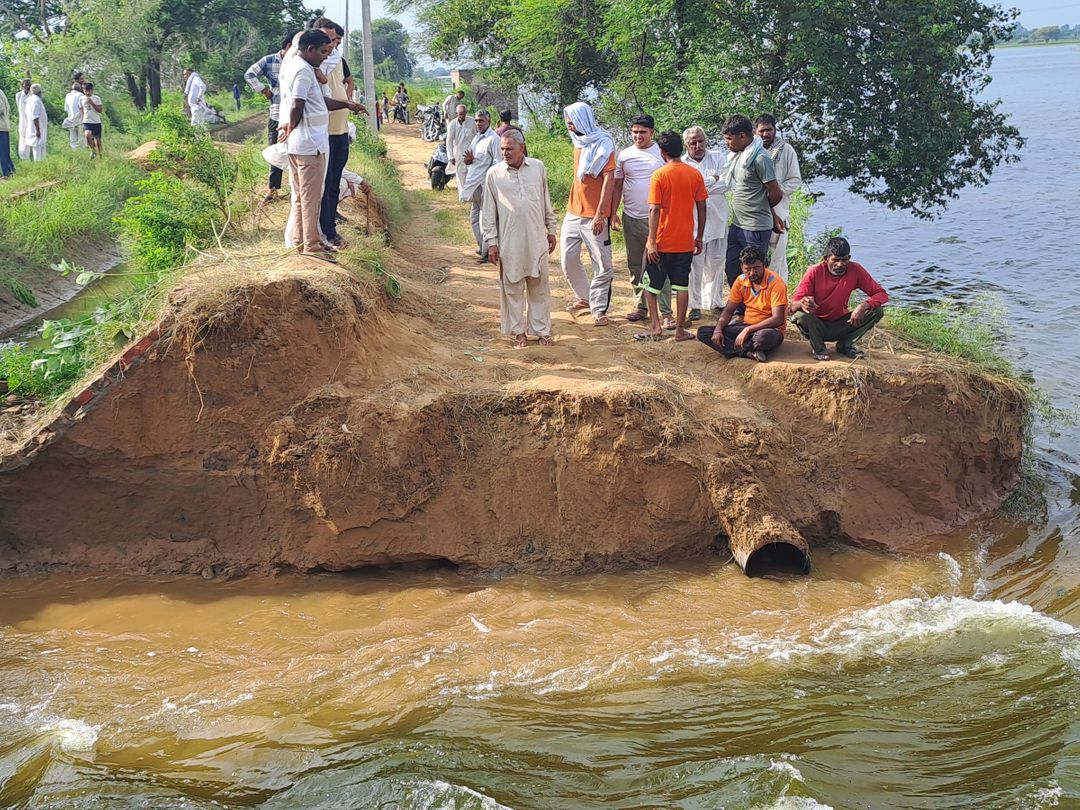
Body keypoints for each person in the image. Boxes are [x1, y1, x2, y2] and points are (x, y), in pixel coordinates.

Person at [280, 29, 363, 262]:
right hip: (309, 145)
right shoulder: (304, 72)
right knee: (311, 198)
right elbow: (297, 104)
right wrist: (292, 126)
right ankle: (312, 246)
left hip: (302, 144)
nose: (326, 56)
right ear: (310, 49)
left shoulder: (303, 68)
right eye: (323, 52)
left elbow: (320, 102)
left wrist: (348, 104)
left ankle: (299, 241)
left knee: (300, 196)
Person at [482, 130, 558, 349]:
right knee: (512, 287)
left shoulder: (537, 168)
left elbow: (545, 201)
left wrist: (551, 229)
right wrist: (492, 242)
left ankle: (542, 331)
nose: (505, 153)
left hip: (536, 238)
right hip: (509, 240)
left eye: (509, 149)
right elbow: (488, 212)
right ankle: (518, 333)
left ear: (521, 148)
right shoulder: (494, 174)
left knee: (539, 286)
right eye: (502, 149)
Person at [636, 130, 707, 343]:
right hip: (685, 242)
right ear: (682, 148)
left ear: (662, 151)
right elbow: (702, 206)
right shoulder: (694, 174)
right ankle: (679, 331)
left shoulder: (659, 175)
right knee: (682, 286)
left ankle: (656, 326)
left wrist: (651, 241)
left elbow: (654, 209)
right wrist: (699, 237)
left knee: (651, 285)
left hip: (661, 242)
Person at [560, 102, 616, 326]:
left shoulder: (604, 144)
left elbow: (609, 180)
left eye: (572, 122)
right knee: (568, 259)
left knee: (603, 264)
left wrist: (601, 214)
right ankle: (585, 297)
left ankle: (599, 309)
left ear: (583, 120)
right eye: (568, 122)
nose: (569, 126)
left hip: (595, 215)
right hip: (573, 212)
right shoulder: (578, 143)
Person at [789, 236, 889, 360]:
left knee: (877, 310)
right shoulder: (814, 271)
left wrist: (864, 306)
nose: (840, 264)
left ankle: (845, 345)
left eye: (844, 260)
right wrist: (802, 303)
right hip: (817, 325)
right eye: (835, 260)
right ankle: (819, 348)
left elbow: (881, 294)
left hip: (842, 323)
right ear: (826, 259)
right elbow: (792, 306)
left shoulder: (855, 269)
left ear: (849, 258)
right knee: (800, 316)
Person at [612, 115, 669, 326]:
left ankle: (665, 311)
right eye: (635, 132)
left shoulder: (661, 154)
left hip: (656, 218)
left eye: (643, 132)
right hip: (631, 217)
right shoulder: (625, 155)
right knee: (635, 264)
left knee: (659, 263)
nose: (638, 136)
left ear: (652, 133)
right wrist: (612, 211)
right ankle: (641, 305)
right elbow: (617, 185)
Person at [721, 114, 784, 289]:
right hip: (738, 224)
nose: (727, 143)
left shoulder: (760, 158)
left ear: (742, 136)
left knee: (754, 273)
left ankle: (756, 311)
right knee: (732, 268)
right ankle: (742, 309)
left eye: (729, 139)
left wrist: (766, 212)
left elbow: (776, 194)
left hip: (755, 228)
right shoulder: (741, 155)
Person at [312, 18, 356, 250]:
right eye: (328, 41)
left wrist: (348, 102)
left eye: (335, 41)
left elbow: (347, 82)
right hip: (323, 132)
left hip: (340, 130)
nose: (332, 46)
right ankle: (325, 232)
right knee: (325, 185)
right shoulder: (311, 66)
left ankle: (329, 230)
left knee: (333, 182)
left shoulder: (336, 59)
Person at [699, 245, 787, 361]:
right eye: (748, 269)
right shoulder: (741, 281)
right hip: (746, 325)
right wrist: (718, 329)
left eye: (756, 267)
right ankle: (748, 352)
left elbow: (778, 319)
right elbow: (729, 311)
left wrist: (748, 330)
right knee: (703, 332)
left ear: (764, 265)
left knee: (762, 339)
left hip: (769, 330)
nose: (752, 272)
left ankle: (736, 349)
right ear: (742, 267)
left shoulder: (776, 283)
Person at [683, 125, 729, 317]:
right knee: (695, 265)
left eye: (701, 141)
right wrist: (711, 180)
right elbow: (686, 190)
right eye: (693, 142)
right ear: (687, 144)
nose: (698, 145)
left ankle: (715, 302)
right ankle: (694, 305)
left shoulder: (718, 157)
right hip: (693, 222)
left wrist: (700, 186)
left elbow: (726, 183)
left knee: (717, 262)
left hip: (718, 219)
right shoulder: (683, 163)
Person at [245, 33, 292, 203]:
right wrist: (263, 89)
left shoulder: (299, 62)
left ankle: (297, 189)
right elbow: (249, 74)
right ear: (287, 46)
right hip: (277, 113)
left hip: (295, 115)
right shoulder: (269, 60)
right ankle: (273, 190)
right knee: (275, 150)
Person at [755, 114, 802, 281]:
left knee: (778, 258)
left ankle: (778, 297)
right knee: (755, 256)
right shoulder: (749, 151)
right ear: (755, 132)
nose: (765, 134)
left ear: (775, 130)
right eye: (762, 131)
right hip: (756, 211)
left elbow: (795, 180)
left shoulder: (786, 149)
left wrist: (774, 191)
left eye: (769, 130)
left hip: (779, 209)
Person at [459, 110, 500, 262]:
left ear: (488, 121)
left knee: (486, 219)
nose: (478, 123)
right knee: (474, 218)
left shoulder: (493, 139)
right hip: (473, 183)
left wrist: (491, 183)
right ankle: (481, 247)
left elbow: (497, 162)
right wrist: (468, 160)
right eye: (476, 121)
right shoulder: (476, 138)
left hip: (485, 185)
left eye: (481, 121)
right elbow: (469, 160)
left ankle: (486, 252)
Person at [445, 103, 476, 191]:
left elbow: (477, 136)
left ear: (466, 112)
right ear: (456, 113)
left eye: (463, 114)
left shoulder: (472, 121)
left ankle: (470, 193)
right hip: (458, 153)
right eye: (460, 114)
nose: (462, 116)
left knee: (471, 173)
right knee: (460, 174)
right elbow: (449, 141)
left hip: (470, 152)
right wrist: (450, 156)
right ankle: (462, 195)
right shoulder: (452, 124)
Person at [21, 84, 48, 162]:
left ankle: (41, 167)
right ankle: (38, 168)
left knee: (39, 148)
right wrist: (38, 130)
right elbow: (35, 116)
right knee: (37, 148)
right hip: (36, 129)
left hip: (34, 127)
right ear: (39, 91)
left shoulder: (31, 100)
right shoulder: (35, 101)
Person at [80, 82, 103, 159]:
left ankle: (100, 155)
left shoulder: (96, 98)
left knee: (98, 140)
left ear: (92, 90)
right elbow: (81, 109)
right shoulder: (81, 99)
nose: (87, 92)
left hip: (96, 121)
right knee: (87, 135)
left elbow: (100, 110)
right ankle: (93, 151)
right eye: (85, 90)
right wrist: (82, 119)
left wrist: (92, 103)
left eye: (89, 90)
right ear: (83, 90)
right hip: (87, 121)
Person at [63, 82, 84, 150]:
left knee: (73, 138)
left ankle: (74, 151)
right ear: (80, 89)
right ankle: (82, 152)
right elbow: (83, 107)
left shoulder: (68, 95)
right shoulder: (81, 95)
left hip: (70, 119)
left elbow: (66, 109)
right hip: (80, 119)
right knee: (81, 137)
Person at [15, 79, 31, 160]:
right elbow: (19, 109)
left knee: (31, 138)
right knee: (22, 139)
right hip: (22, 119)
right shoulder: (18, 95)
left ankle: (31, 157)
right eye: (26, 85)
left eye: (29, 85)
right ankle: (23, 158)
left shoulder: (32, 95)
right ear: (22, 85)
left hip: (31, 120)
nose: (28, 87)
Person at [0, 87, 13, 178]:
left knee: (3, 152)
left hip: (1, 127)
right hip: (3, 126)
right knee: (4, 152)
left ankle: (7, 173)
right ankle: (10, 171)